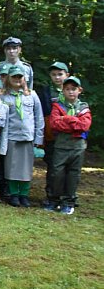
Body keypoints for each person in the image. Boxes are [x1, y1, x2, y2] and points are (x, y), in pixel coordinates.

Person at [46, 76, 91, 215]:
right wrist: (74, 122)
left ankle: (68, 202)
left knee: (73, 175)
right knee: (56, 174)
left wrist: (66, 119)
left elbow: (84, 126)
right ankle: (54, 200)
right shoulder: (57, 106)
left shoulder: (84, 107)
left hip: (77, 148)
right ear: (63, 91)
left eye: (73, 89)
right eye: (67, 89)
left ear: (79, 90)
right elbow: (54, 124)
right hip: (61, 146)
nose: (70, 92)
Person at [1, 65, 44, 207]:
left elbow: (39, 117)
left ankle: (24, 195)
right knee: (12, 167)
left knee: (26, 168)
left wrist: (38, 139)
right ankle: (14, 194)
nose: (17, 79)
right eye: (14, 76)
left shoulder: (32, 95)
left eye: (20, 77)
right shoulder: (4, 96)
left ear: (24, 78)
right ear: (9, 78)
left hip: (27, 137)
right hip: (12, 136)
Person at [38, 61, 70, 205]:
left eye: (60, 74)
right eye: (54, 74)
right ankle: (51, 195)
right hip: (52, 135)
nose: (57, 77)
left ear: (66, 75)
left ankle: (67, 196)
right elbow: (43, 114)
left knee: (69, 167)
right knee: (53, 166)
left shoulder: (72, 90)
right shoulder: (45, 91)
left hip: (69, 136)